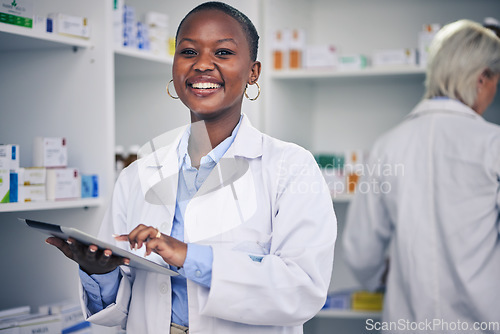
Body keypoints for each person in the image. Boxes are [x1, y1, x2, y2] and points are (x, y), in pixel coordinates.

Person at [46, 2, 337, 333]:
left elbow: (303, 290)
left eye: (223, 53)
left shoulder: (291, 167)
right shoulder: (137, 176)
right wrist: (100, 272)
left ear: (253, 72)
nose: (202, 65)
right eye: (188, 51)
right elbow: (120, 312)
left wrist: (187, 255)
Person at [343, 19, 500, 333]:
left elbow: (360, 252)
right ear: (482, 78)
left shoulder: (388, 145)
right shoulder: (492, 144)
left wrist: (380, 278)